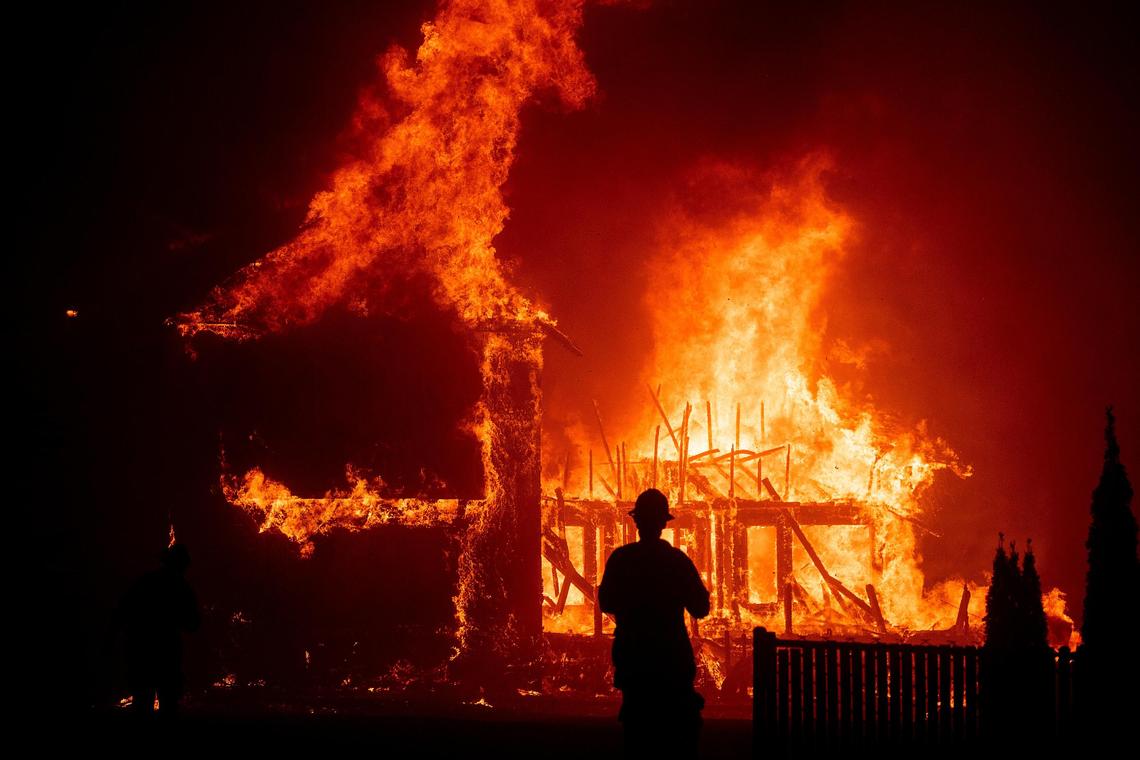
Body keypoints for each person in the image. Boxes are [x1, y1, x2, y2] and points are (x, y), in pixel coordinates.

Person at [598, 488, 711, 757]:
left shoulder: (621, 559)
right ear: (664, 523)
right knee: (677, 737)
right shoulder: (677, 562)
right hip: (671, 661)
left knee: (638, 736)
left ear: (636, 522)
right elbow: (701, 608)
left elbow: (607, 603)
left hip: (634, 662)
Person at [119, 543, 200, 720]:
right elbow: (193, 624)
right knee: (168, 706)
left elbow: (123, 611)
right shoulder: (181, 588)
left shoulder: (146, 582)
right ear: (182, 565)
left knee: (143, 704)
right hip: (167, 653)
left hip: (142, 651)